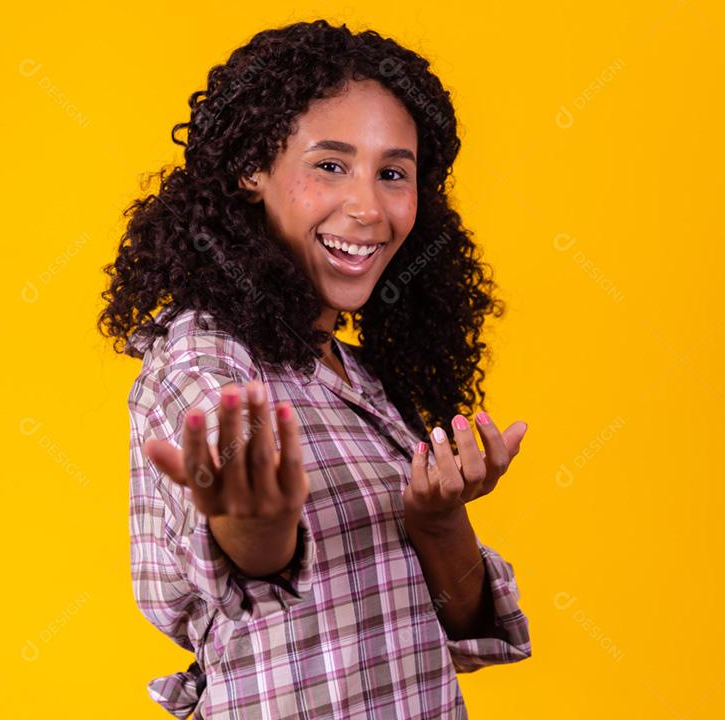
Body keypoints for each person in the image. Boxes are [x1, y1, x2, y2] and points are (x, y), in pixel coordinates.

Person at [98, 19, 531, 719]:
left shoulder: (362, 380)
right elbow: (253, 559)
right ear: (251, 170)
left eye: (393, 173)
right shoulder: (205, 360)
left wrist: (439, 520)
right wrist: (256, 523)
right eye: (330, 164)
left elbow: (448, 631)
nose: (367, 206)